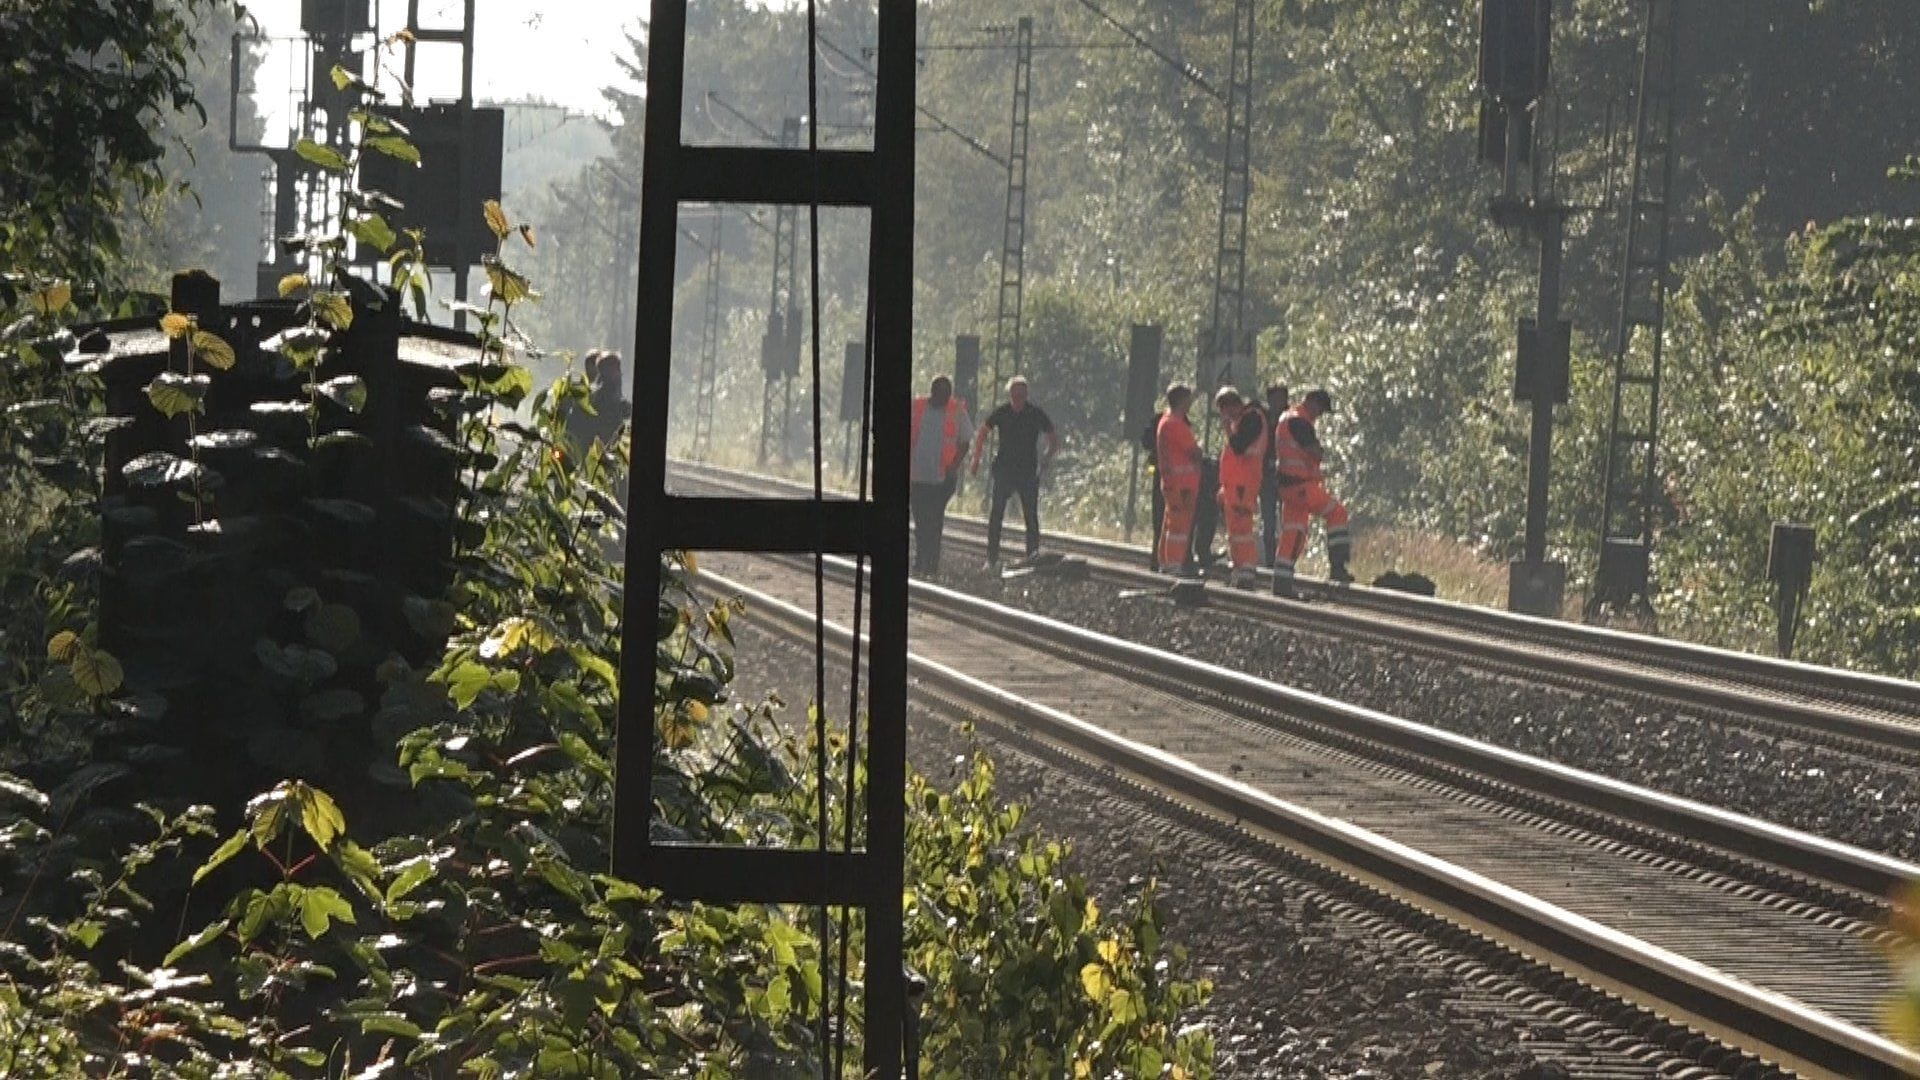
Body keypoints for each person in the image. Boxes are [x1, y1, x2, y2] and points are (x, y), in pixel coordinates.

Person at [968, 376, 1058, 569]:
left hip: (1027, 472)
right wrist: (976, 457)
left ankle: (1032, 557)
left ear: (1026, 395)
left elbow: (1053, 437)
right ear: (1010, 394)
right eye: (1015, 394)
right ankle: (991, 559)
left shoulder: (1035, 414)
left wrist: (1046, 457)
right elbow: (983, 431)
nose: (1018, 397)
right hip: (1004, 471)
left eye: (1022, 394)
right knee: (996, 515)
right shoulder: (1002, 412)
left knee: (1030, 516)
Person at [1272, 387, 1353, 597]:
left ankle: (1281, 582)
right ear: (1311, 402)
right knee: (1337, 513)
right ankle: (1338, 568)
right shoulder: (1299, 421)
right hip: (1301, 487)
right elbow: (1313, 450)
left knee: (1293, 533)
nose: (1319, 415)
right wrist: (1320, 456)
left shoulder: (1286, 417)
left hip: (1288, 487)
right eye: (1320, 409)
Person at [909, 375, 973, 575]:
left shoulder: (956, 411)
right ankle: (922, 560)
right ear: (932, 391)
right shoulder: (917, 408)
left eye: (947, 393)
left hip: (942, 477)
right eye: (940, 392)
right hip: (917, 475)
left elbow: (965, 441)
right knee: (921, 521)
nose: (944, 397)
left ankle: (931, 563)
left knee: (935, 520)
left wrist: (954, 465)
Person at [1213, 387, 1269, 588]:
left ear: (1231, 406)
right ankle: (1239, 568)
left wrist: (1228, 428)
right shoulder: (1242, 420)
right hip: (1235, 484)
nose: (1223, 416)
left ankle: (1247, 570)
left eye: (1223, 410)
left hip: (1244, 483)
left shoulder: (1251, 418)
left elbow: (1239, 448)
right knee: (1235, 529)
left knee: (1242, 527)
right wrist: (1224, 486)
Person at [1154, 384, 1202, 574]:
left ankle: (1166, 562)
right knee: (1179, 527)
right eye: (1188, 399)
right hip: (1182, 485)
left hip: (1172, 483)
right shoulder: (1176, 424)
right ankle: (1174, 564)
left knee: (1170, 524)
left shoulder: (1165, 421)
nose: (1190, 403)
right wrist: (1199, 449)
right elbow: (1194, 452)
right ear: (1182, 400)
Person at [1259, 382, 1289, 569]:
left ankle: (1284, 560)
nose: (1278, 402)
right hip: (1267, 476)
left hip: (1288, 477)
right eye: (1274, 398)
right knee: (1269, 520)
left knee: (1288, 521)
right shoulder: (1262, 419)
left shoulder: (1291, 419)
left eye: (1281, 398)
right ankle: (1271, 561)